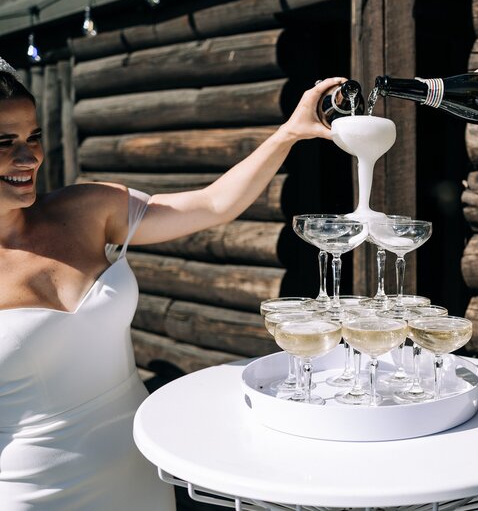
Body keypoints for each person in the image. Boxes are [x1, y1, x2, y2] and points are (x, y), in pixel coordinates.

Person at [0, 60, 345, 510]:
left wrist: (288, 134)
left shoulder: (85, 209)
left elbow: (213, 204)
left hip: (141, 467)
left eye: (34, 137)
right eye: (4, 142)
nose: (29, 158)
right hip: (34, 492)